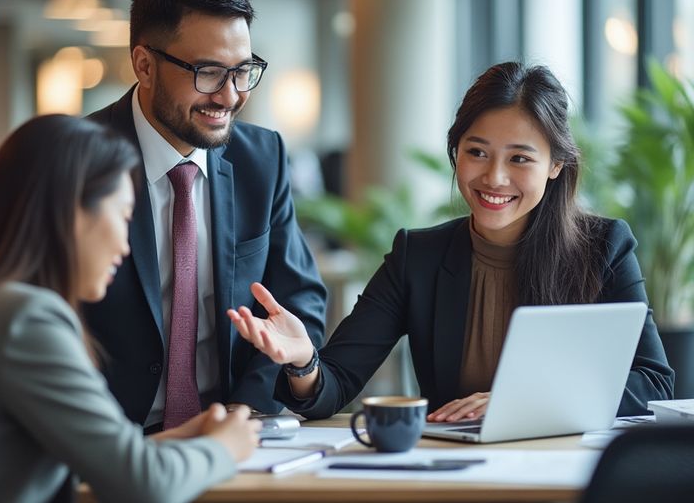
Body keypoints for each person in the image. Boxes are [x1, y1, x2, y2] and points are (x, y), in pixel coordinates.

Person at [227, 61, 674, 422]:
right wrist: (304, 360)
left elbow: (653, 382)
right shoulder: (417, 257)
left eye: (520, 158)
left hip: (569, 470)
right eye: (476, 152)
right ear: (455, 152)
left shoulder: (604, 247)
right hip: (457, 473)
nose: (494, 178)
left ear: (556, 165)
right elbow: (335, 386)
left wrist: (521, 401)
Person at [0, 115, 260, 502]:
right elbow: (144, 486)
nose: (125, 244)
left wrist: (186, 437)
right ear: (71, 212)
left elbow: (103, 462)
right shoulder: (25, 318)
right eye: (123, 216)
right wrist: (226, 447)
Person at [83, 0, 327, 431]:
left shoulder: (263, 157)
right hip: (108, 440)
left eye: (242, 71)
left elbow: (299, 301)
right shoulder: (77, 159)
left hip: (232, 429)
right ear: (144, 65)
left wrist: (247, 408)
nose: (230, 96)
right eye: (209, 72)